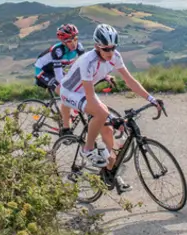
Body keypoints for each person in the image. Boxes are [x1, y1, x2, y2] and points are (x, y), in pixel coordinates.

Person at [58, 24, 163, 193]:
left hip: (84, 93)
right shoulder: (87, 61)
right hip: (70, 92)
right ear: (96, 46)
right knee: (102, 113)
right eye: (106, 49)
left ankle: (109, 172)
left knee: (108, 136)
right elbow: (90, 97)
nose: (110, 52)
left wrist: (151, 99)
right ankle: (87, 149)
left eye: (113, 48)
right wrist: (107, 118)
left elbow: (130, 80)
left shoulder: (115, 56)